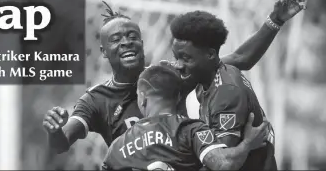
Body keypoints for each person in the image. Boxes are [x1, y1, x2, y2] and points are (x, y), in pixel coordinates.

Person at [43, 0, 306, 154]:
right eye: (115, 39)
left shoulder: (167, 77)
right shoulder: (95, 99)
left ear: (142, 42)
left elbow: (238, 59)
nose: (125, 42)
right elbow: (61, 143)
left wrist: (275, 20)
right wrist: (55, 132)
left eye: (132, 35)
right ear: (102, 52)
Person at [169, 10, 279, 170]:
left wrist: (247, 144)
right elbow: (242, 58)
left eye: (186, 58)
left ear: (210, 55)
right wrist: (276, 20)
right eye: (175, 57)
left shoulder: (226, 94)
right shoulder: (212, 71)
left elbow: (223, 165)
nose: (178, 65)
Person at [102, 65, 269, 171]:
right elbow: (223, 164)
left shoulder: (117, 147)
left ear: (143, 98)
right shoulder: (191, 130)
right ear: (178, 98)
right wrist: (247, 144)